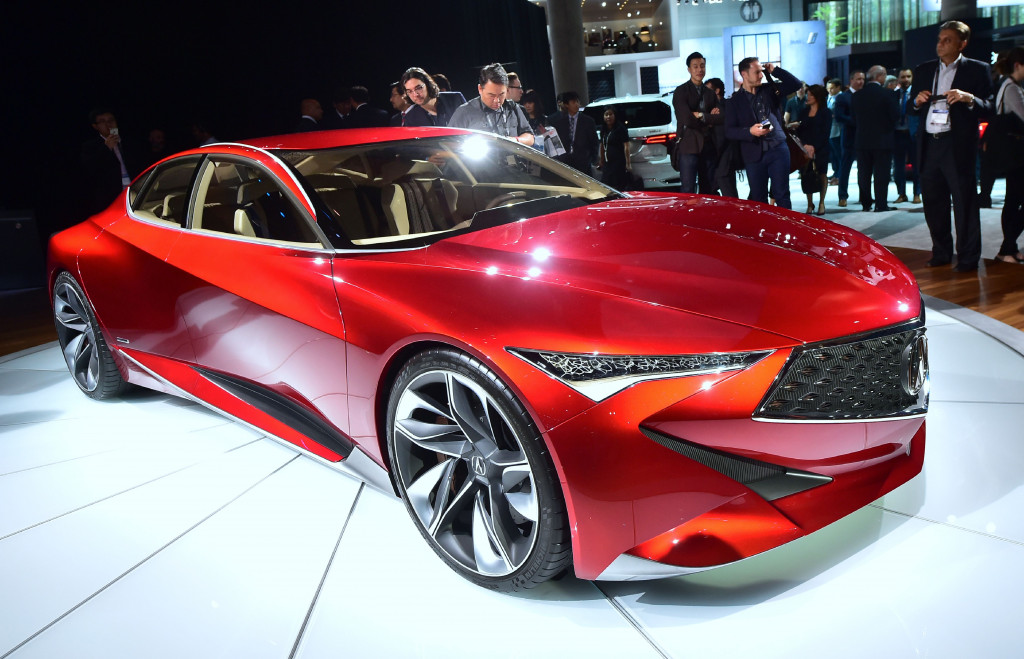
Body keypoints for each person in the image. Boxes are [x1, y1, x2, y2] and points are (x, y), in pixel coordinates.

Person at [909, 20, 993, 272]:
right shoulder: (923, 70)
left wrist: (970, 99)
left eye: (947, 40)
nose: (941, 44)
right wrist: (916, 101)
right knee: (934, 204)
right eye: (939, 39)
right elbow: (910, 109)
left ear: (962, 43)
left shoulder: (977, 70)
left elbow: (989, 106)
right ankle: (941, 253)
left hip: (956, 146)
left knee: (965, 204)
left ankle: (967, 258)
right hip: (929, 145)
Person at [725, 57, 801, 209]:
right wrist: (749, 131)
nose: (761, 75)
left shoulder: (770, 90)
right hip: (753, 154)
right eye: (757, 72)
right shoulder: (734, 101)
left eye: (761, 71)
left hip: (778, 149)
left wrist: (775, 71)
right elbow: (729, 131)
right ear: (744, 74)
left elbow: (795, 84)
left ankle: (786, 231)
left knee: (782, 194)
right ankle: (765, 232)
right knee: (759, 198)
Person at [446, 63, 535, 145]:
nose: (497, 101)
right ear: (480, 89)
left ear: (507, 90)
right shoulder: (464, 112)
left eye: (501, 94)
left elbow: (530, 137)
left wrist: (516, 140)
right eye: (491, 95)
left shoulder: (512, 108)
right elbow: (448, 143)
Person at [672, 51, 722, 193]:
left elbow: (720, 118)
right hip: (688, 146)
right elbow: (686, 118)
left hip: (708, 146)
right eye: (695, 66)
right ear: (689, 69)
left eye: (702, 66)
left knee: (708, 189)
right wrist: (708, 119)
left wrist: (700, 115)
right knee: (688, 189)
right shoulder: (681, 91)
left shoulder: (710, 93)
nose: (700, 70)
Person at [851, 65, 899, 211]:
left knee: (864, 174)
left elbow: (853, 118)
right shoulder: (888, 94)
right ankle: (881, 204)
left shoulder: (857, 96)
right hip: (883, 141)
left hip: (862, 140)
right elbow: (895, 116)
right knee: (881, 174)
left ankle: (866, 204)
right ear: (881, 76)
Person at [993, 46, 1024, 264]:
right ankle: (1006, 249)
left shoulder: (1006, 86)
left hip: (1011, 152)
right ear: (1018, 65)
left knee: (1012, 201)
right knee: (1013, 200)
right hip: (1017, 153)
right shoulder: (1012, 88)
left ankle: (1009, 248)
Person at [80, 109, 138, 214]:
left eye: (111, 120)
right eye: (103, 122)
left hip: (134, 188)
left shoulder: (128, 142)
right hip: (111, 195)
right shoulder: (90, 146)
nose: (108, 124)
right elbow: (91, 168)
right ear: (95, 126)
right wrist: (106, 148)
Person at [793, 84, 832, 215]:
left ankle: (821, 202)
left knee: (822, 174)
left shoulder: (826, 112)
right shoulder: (803, 112)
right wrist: (804, 145)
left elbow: (825, 133)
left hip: (821, 148)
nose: (807, 97)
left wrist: (814, 147)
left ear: (818, 96)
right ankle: (810, 203)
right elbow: (799, 131)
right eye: (807, 94)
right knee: (806, 175)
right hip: (805, 149)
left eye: (810, 95)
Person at [833, 70, 865, 207]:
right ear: (851, 80)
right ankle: (843, 196)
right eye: (858, 79)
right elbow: (839, 116)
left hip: (864, 138)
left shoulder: (865, 95)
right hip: (849, 138)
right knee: (845, 168)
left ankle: (864, 196)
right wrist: (857, 122)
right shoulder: (843, 97)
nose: (861, 82)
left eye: (863, 79)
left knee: (864, 169)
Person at [551, 91, 599, 174]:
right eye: (573, 102)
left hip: (583, 162)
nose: (577, 104)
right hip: (564, 162)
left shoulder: (588, 121)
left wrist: (592, 159)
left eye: (578, 102)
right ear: (566, 105)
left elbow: (594, 142)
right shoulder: (559, 122)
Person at [706, 77, 739, 198]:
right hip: (728, 158)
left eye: (707, 90)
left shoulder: (719, 109)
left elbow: (720, 138)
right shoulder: (727, 105)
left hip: (722, 160)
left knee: (729, 195)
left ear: (717, 91)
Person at [401, 67, 466, 127]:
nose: (415, 94)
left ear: (428, 84)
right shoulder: (410, 118)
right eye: (409, 91)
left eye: (418, 88)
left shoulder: (455, 99)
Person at [893, 68, 921, 204]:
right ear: (898, 79)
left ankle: (917, 193)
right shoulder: (894, 95)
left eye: (908, 76)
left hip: (913, 134)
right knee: (898, 167)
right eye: (903, 77)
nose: (906, 79)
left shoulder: (917, 95)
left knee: (917, 165)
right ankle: (901, 193)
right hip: (897, 134)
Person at [598, 107, 631, 189]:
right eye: (606, 114)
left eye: (610, 114)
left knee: (618, 185)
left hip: (618, 162)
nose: (608, 117)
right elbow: (602, 145)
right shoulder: (603, 129)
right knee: (606, 185)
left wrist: (628, 163)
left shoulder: (620, 128)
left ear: (615, 115)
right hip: (607, 162)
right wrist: (601, 160)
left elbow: (626, 146)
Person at [826, 78, 843, 184]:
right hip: (830, 129)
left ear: (838, 87)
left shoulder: (841, 98)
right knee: (833, 154)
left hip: (838, 129)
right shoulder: (829, 97)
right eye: (828, 89)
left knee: (839, 153)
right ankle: (836, 172)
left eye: (832, 88)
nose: (829, 91)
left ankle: (840, 175)